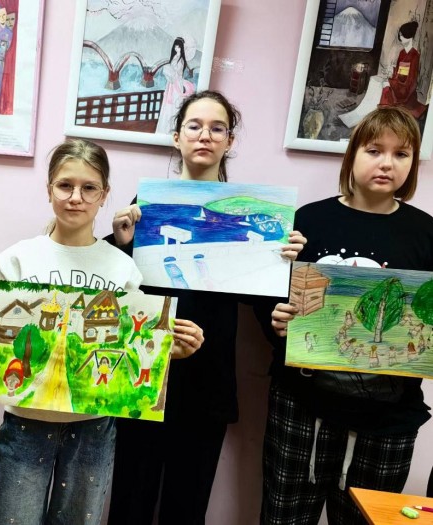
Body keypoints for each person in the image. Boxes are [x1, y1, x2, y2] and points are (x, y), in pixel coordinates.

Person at [0, 138, 205, 525]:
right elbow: (9, 347)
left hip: (94, 427)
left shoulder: (123, 268)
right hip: (25, 421)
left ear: (104, 195)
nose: (76, 197)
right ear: (49, 190)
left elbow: (130, 348)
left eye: (89, 188)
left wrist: (166, 349)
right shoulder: (17, 259)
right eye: (65, 185)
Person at [106, 90, 306, 525]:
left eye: (217, 128)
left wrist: (284, 261)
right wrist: (120, 242)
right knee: (128, 503)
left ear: (229, 141)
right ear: (176, 137)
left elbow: (267, 308)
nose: (205, 136)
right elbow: (114, 291)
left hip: (206, 382)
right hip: (142, 372)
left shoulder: (249, 213)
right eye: (194, 126)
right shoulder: (146, 205)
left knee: (187, 507)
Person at [263, 106, 433, 525]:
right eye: (374, 150)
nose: (387, 163)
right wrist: (276, 320)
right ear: (352, 154)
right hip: (303, 406)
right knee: (283, 517)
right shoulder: (309, 220)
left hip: (387, 418)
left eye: (401, 154)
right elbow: (269, 297)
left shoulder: (426, 233)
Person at [378, 21, 427, 118]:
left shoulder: (415, 55)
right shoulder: (402, 53)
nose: (400, 37)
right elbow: (398, 72)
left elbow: (411, 81)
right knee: (383, 82)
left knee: (386, 85)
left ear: (410, 36)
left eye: (402, 35)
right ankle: (385, 113)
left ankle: (386, 114)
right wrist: (392, 71)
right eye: (400, 35)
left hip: (406, 89)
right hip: (399, 84)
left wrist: (393, 83)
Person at [155, 37, 195, 134]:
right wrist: (168, 72)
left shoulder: (181, 60)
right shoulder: (175, 58)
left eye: (179, 47)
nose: (177, 48)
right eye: (176, 46)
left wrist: (169, 71)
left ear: (182, 48)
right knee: (168, 104)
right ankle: (165, 128)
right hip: (172, 83)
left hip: (176, 84)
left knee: (174, 103)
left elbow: (177, 74)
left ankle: (172, 128)